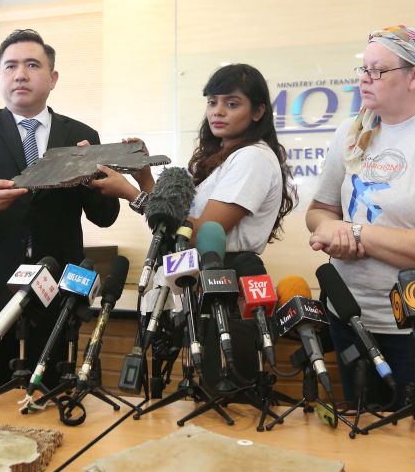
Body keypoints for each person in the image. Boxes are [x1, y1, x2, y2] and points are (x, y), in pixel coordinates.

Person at [0, 29, 120, 387]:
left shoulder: (81, 134)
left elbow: (104, 215)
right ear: (0, 77)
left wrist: (90, 178)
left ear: (52, 78)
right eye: (11, 66)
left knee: (50, 389)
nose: (20, 74)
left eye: (32, 65)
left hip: (58, 288)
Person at [89, 63, 297, 386]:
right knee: (205, 391)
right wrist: (143, 176)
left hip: (229, 280)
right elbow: (174, 220)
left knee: (227, 394)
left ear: (257, 112)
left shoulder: (253, 158)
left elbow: (201, 233)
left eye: (232, 103)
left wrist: (130, 193)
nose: (218, 112)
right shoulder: (222, 158)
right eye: (212, 102)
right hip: (202, 281)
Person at [306, 26, 415, 410]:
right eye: (363, 69)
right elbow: (318, 213)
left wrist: (356, 233)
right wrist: (329, 230)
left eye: (378, 71)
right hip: (350, 317)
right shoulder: (349, 133)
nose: (365, 79)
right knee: (364, 438)